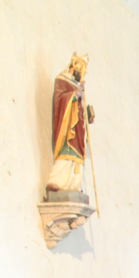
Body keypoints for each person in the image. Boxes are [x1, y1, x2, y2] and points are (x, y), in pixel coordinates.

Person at [47, 53, 94, 193]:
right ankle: (56, 180)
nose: (82, 73)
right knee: (66, 152)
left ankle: (75, 185)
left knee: (77, 158)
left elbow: (79, 110)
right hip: (67, 128)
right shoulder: (62, 80)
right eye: (81, 69)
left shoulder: (79, 86)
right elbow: (60, 99)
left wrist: (87, 116)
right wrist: (74, 95)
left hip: (78, 130)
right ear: (74, 66)